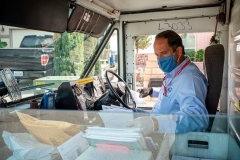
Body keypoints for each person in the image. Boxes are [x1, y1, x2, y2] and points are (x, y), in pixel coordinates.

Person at [125, 30, 209, 135]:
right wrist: (152, 91)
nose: (160, 60)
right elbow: (172, 94)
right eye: (157, 55)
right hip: (161, 127)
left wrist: (155, 123)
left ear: (178, 51)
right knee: (128, 114)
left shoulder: (189, 78)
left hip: (170, 139)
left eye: (164, 53)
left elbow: (197, 119)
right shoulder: (176, 73)